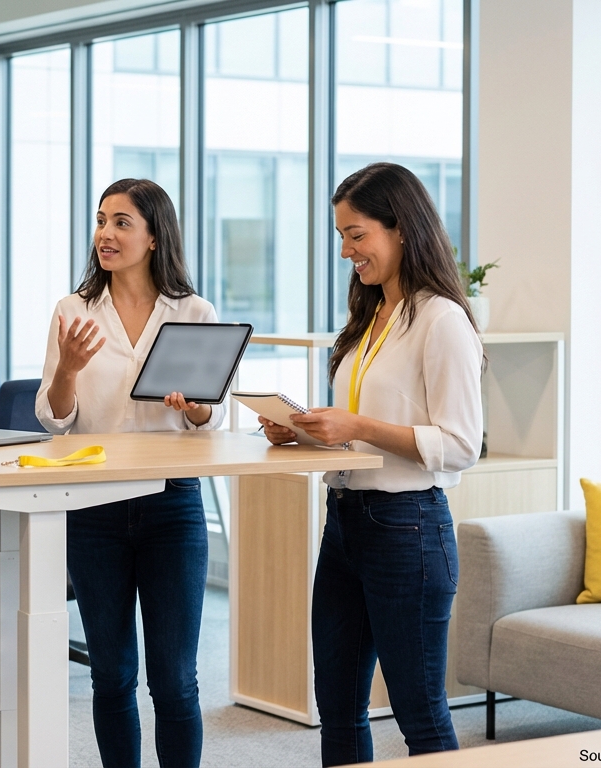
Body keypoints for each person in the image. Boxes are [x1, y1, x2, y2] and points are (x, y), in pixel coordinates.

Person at [260, 162, 482, 766]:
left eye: (357, 234)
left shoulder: (442, 320)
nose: (345, 251)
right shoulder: (368, 319)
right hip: (347, 522)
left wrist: (355, 426)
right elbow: (360, 437)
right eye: (341, 236)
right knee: (337, 704)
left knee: (419, 712)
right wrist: (304, 434)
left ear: (401, 227)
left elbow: (462, 443)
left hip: (407, 529)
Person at [35, 178, 224, 768]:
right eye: (100, 221)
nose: (105, 235)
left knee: (174, 679)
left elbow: (209, 419)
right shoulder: (73, 311)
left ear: (153, 235)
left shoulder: (194, 312)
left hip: (173, 504)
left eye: (121, 222)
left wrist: (195, 408)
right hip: (95, 506)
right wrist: (67, 370)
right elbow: (53, 418)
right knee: (112, 673)